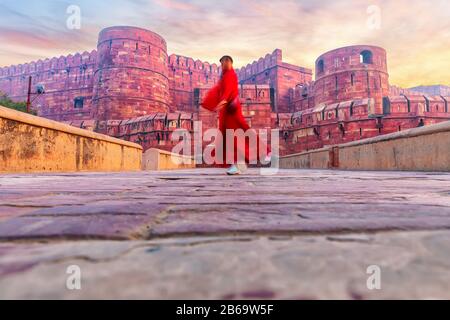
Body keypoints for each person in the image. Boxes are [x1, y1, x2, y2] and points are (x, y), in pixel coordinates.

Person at [201, 55, 270, 175]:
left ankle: (262, 152)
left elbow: (229, 89)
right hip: (226, 111)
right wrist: (209, 102)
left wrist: (224, 100)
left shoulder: (231, 75)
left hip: (231, 110)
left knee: (238, 133)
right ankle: (237, 164)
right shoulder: (224, 77)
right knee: (231, 137)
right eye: (222, 63)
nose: (224, 64)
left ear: (230, 63)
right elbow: (218, 90)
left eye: (226, 62)